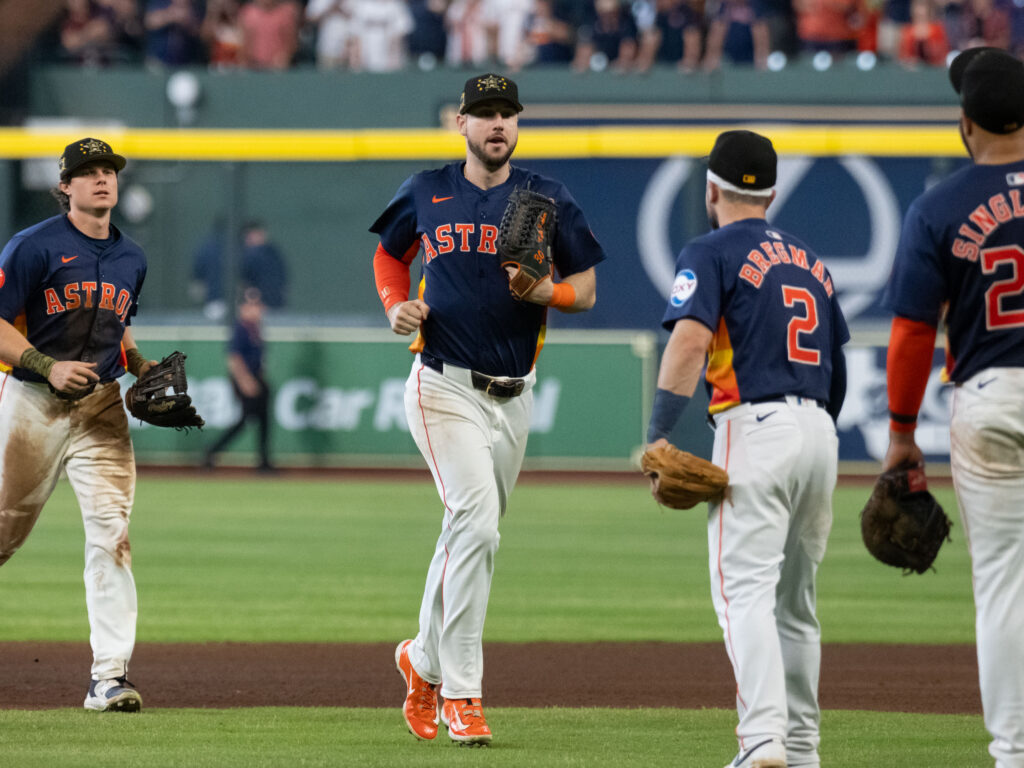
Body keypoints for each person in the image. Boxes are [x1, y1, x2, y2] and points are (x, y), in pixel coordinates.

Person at [370, 73, 605, 745]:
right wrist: (395, 306)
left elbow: (585, 290)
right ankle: (463, 695)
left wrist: (545, 293)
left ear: (518, 124)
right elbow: (390, 255)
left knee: (471, 535)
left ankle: (423, 658)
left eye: (507, 113)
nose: (496, 123)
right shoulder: (427, 189)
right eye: (484, 113)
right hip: (442, 382)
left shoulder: (546, 198)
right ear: (462, 124)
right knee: (475, 521)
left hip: (514, 394)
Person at [644, 130, 848, 768]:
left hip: (753, 424)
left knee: (745, 596)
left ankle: (763, 742)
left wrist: (658, 433)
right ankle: (803, 749)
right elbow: (837, 367)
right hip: (820, 429)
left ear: (711, 188)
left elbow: (688, 343)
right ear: (773, 193)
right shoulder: (811, 260)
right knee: (797, 605)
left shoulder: (708, 250)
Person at [882, 47, 1024, 768]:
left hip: (992, 400)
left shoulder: (940, 204)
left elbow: (911, 333)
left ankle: (1013, 754)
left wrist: (902, 433)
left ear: (965, 124)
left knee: (1002, 584)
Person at [0, 138, 154, 712]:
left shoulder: (131, 257)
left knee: (112, 536)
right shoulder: (31, 247)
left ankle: (108, 677)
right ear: (64, 185)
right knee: (3, 534)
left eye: (108, 170)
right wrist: (45, 365)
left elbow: (119, 327)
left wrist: (140, 366)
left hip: (101, 409)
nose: (101, 180)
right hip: (32, 403)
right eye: (86, 172)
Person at [202, 287, 273, 472]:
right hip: (246, 379)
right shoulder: (241, 328)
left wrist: (261, 379)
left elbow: (260, 359)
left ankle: (263, 461)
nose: (256, 308)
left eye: (257, 304)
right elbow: (234, 358)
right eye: (251, 304)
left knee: (263, 420)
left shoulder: (256, 329)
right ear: (242, 307)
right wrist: (245, 381)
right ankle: (212, 450)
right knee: (244, 420)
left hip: (257, 378)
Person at [239, 220, 288, 309]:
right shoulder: (249, 255)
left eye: (258, 234)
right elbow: (245, 282)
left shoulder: (273, 253)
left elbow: (282, 280)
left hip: (273, 304)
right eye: (251, 235)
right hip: (257, 307)